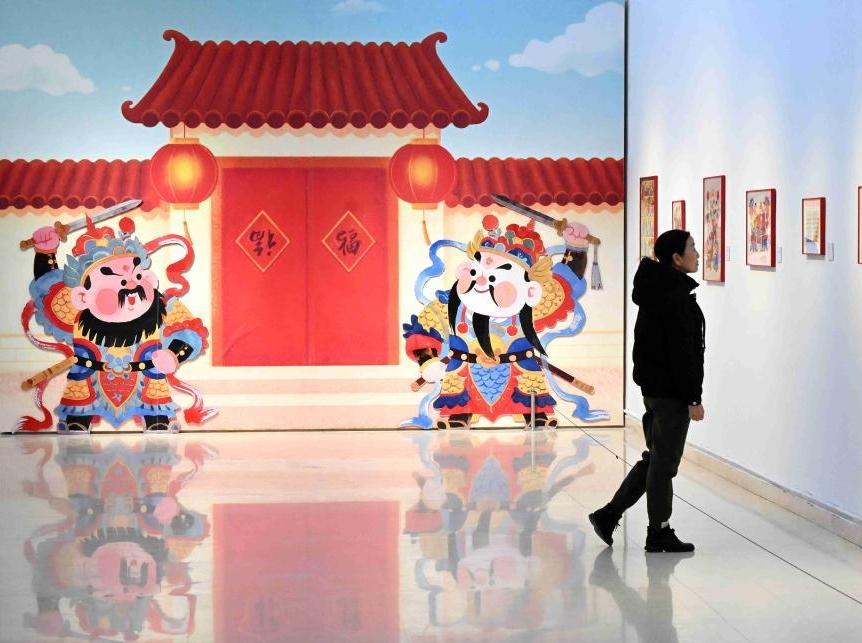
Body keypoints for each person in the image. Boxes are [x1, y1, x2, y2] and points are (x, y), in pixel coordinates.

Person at [589, 230, 705, 552]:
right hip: (671, 393)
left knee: (656, 459)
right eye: (692, 248)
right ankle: (659, 532)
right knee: (664, 465)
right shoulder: (674, 297)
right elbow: (683, 354)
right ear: (676, 258)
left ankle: (608, 515)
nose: (697, 253)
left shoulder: (656, 290)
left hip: (654, 389)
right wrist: (693, 398)